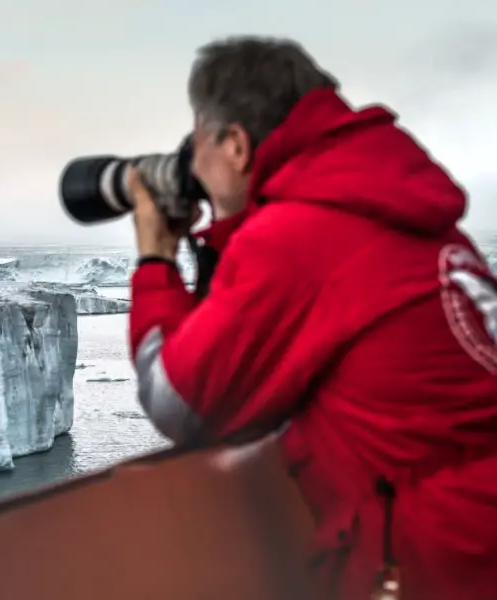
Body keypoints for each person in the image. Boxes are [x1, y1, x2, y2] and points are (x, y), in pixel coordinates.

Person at [127, 35, 497, 600]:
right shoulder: (397, 209)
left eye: (196, 136)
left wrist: (155, 258)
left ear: (234, 146)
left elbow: (178, 399)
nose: (190, 160)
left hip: (438, 565)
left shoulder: (297, 236)